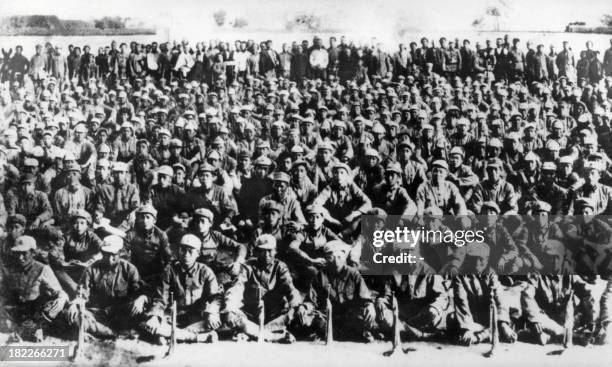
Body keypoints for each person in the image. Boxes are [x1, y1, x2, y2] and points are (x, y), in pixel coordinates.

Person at [142, 234, 220, 343]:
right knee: (148, 324)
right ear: (179, 251)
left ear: (197, 253)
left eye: (190, 251)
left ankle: (172, 335)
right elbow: (161, 298)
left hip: (196, 318)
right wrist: (155, 316)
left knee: (216, 321)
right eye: (183, 250)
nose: (186, 255)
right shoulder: (169, 270)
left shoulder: (205, 271)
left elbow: (216, 298)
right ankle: (197, 337)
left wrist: (212, 312)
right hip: (173, 317)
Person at [66, 235, 147, 339]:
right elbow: (82, 293)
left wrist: (141, 299)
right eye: (105, 255)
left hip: (121, 314)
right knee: (74, 315)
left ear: (121, 253)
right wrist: (75, 304)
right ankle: (115, 333)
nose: (109, 259)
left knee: (140, 308)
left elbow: (140, 292)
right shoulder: (91, 269)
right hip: (98, 314)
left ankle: (101, 332)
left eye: (113, 255)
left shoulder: (130, 269)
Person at [223, 234, 301, 342]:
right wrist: (231, 302)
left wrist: (295, 301)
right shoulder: (247, 266)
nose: (266, 255)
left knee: (298, 312)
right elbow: (237, 286)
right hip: (251, 317)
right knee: (230, 315)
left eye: (270, 251)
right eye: (262, 251)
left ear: (276, 251)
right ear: (256, 251)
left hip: (274, 318)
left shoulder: (280, 267)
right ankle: (272, 336)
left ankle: (253, 333)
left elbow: (290, 288)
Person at [295, 240, 376, 342]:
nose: (336, 261)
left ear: (345, 257)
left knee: (366, 313)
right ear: (327, 259)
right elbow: (311, 300)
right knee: (306, 316)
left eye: (339, 257)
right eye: (332, 257)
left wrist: (370, 306)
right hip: (326, 317)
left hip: (348, 317)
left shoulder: (354, 275)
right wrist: (305, 307)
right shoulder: (320, 276)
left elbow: (365, 299)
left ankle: (357, 333)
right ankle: (327, 333)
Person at [0, 236, 68, 342]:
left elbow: (60, 293)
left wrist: (61, 300)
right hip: (15, 313)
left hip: (36, 315)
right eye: (17, 253)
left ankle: (35, 330)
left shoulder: (42, 269)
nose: (20, 258)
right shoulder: (11, 269)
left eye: (24, 253)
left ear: (32, 252)